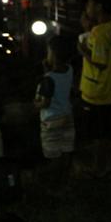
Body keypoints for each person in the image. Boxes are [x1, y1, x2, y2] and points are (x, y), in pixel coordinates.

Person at [77, 0, 111, 177]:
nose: (87, 7)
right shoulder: (110, 26)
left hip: (96, 91)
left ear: (99, 7)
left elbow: (99, 62)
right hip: (105, 88)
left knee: (97, 134)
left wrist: (83, 50)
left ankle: (98, 168)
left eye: (89, 3)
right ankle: (100, 166)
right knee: (101, 133)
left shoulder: (99, 33)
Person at [35, 35, 75, 178]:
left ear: (52, 53)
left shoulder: (48, 78)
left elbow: (45, 102)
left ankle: (54, 180)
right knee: (66, 148)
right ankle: (65, 177)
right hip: (67, 116)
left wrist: (35, 104)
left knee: (53, 153)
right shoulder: (70, 69)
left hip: (51, 120)